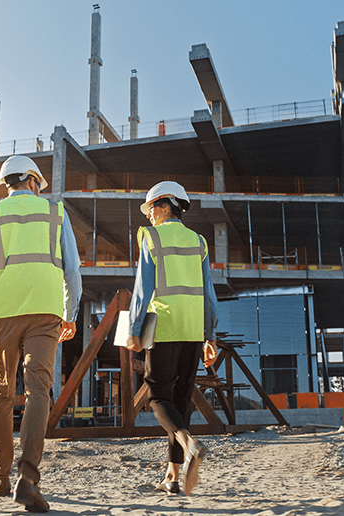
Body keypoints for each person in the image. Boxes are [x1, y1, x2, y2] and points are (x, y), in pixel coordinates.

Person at [0, 155, 82, 513]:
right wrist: (71, 313)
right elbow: (72, 269)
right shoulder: (56, 213)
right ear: (33, 180)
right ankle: (27, 479)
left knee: (1, 392)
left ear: (7, 183)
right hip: (46, 313)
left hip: (3, 314)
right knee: (38, 391)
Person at [125, 180, 218, 496]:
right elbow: (209, 293)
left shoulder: (151, 237)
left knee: (158, 399)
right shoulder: (199, 242)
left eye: (150, 208)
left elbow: (143, 288)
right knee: (180, 405)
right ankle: (173, 478)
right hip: (193, 331)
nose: (149, 216)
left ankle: (189, 444)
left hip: (163, 327)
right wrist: (210, 336)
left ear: (164, 205)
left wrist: (133, 329)